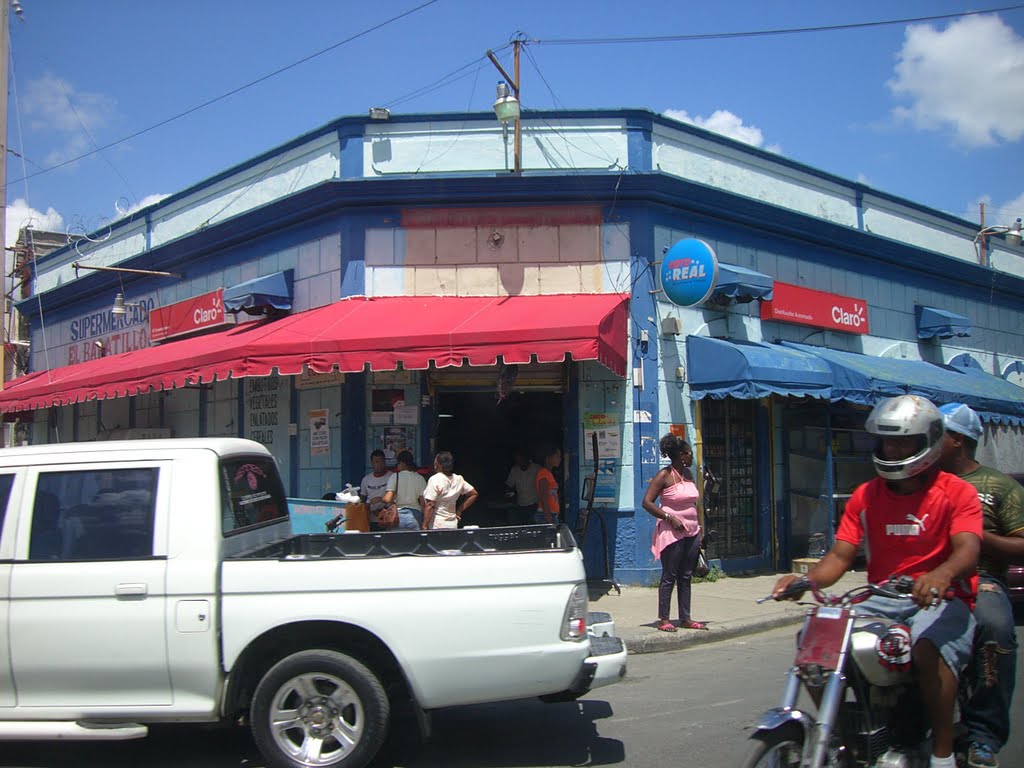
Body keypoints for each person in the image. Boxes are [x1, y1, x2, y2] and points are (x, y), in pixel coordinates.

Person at [772, 395, 982, 768]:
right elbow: (838, 557)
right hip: (880, 597)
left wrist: (940, 573)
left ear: (928, 442)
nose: (892, 448)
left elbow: (967, 549)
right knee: (813, 638)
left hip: (943, 598)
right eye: (887, 440)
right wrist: (803, 582)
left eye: (903, 441)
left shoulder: (957, 492)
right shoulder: (866, 495)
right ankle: (839, 734)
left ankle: (942, 753)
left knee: (927, 648)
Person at [938, 402, 1024, 768]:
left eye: (936, 434)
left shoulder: (999, 486)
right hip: (922, 579)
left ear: (957, 440)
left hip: (982, 580)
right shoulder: (919, 480)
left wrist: (978, 537)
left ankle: (984, 735)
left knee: (996, 629)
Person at [642, 433, 706, 632]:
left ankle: (685, 618)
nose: (691, 457)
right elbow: (647, 503)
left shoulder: (688, 475)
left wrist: (699, 529)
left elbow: (694, 503)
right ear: (680, 455)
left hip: (692, 531)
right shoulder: (664, 475)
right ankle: (664, 619)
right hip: (672, 532)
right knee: (669, 575)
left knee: (686, 575)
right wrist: (670, 518)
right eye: (688, 454)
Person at [423, 451, 478, 530]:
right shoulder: (458, 479)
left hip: (437, 524)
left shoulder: (435, 479)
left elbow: (430, 505)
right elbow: (473, 494)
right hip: (452, 524)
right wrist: (459, 510)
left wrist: (425, 525)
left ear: (437, 464)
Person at [382, 450, 428, 531]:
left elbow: (387, 499)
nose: (397, 466)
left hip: (397, 516)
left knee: (396, 543)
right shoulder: (420, 478)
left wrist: (379, 499)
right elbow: (423, 502)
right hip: (415, 516)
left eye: (398, 463)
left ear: (402, 463)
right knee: (415, 543)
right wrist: (425, 521)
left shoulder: (394, 477)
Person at [359, 449, 393, 531]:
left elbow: (395, 497)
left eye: (381, 461)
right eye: (376, 462)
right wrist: (368, 509)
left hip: (388, 519)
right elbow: (362, 500)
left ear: (385, 462)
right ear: (372, 463)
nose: (379, 465)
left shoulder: (392, 477)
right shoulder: (366, 479)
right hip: (371, 520)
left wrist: (382, 508)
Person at [504, 449, 540, 525]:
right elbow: (509, 486)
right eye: (517, 460)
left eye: (521, 459)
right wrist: (510, 496)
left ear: (526, 458)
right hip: (520, 505)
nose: (519, 462)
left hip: (534, 505)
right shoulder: (514, 470)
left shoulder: (537, 469)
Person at [534, 443, 562, 525]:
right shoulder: (543, 474)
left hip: (550, 515)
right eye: (557, 456)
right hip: (545, 516)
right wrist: (549, 520)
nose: (559, 459)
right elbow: (544, 498)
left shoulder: (548, 474)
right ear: (547, 458)